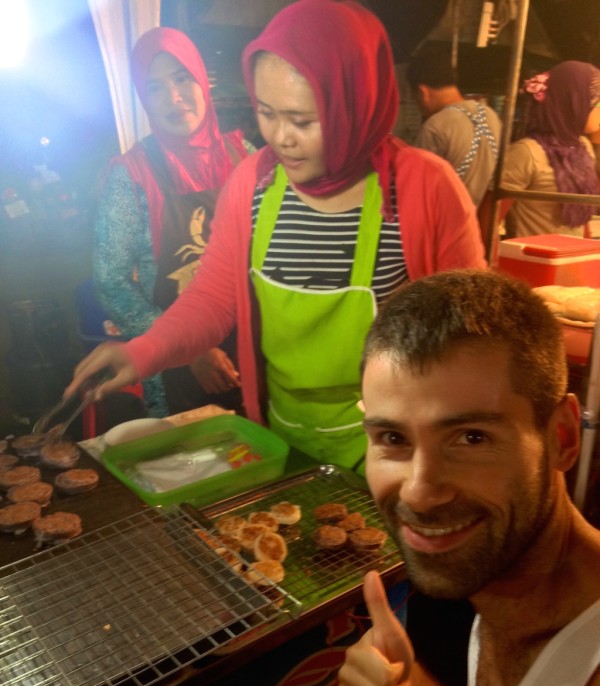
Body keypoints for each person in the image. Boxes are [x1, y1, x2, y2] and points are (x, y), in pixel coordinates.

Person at [66, 0, 486, 470]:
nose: (280, 138)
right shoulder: (253, 183)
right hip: (281, 433)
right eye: (266, 113)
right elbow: (213, 297)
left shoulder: (423, 187)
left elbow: (469, 333)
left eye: (302, 120)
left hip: (396, 447)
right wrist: (142, 351)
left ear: (355, 102)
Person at [337, 269, 600, 686]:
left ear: (563, 438)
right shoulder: (507, 585)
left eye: (471, 437)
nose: (418, 491)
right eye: (392, 437)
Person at [92, 26, 253, 417]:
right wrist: (187, 348)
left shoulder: (246, 156)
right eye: (155, 87)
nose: (174, 97)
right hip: (175, 370)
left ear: (202, 80)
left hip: (255, 350)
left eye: (181, 78)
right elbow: (111, 282)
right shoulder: (129, 176)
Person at [501, 60, 600, 238]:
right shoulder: (526, 152)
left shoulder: (583, 147)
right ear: (573, 103)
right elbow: (489, 219)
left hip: (572, 261)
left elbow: (582, 222)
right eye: (597, 103)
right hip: (530, 263)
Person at [406, 43, 501, 209]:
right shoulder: (491, 116)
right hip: (473, 221)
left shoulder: (436, 126)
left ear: (423, 92)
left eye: (416, 99)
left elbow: (417, 191)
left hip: (441, 223)